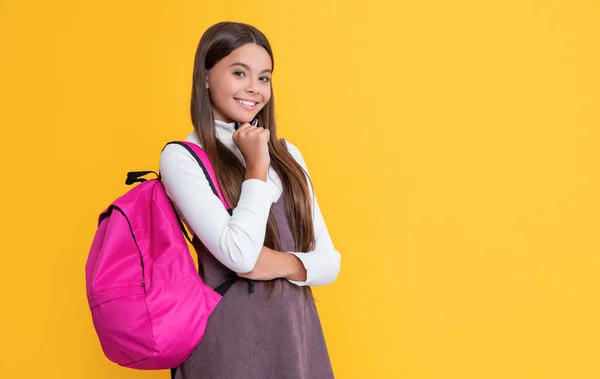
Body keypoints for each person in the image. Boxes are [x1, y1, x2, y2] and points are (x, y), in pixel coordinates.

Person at [159, 21, 341, 379]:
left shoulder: (288, 154)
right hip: (230, 343)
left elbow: (330, 262)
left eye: (264, 78)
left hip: (297, 337)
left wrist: (277, 264)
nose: (254, 89)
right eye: (239, 73)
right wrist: (257, 164)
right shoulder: (183, 158)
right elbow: (240, 256)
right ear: (206, 76)